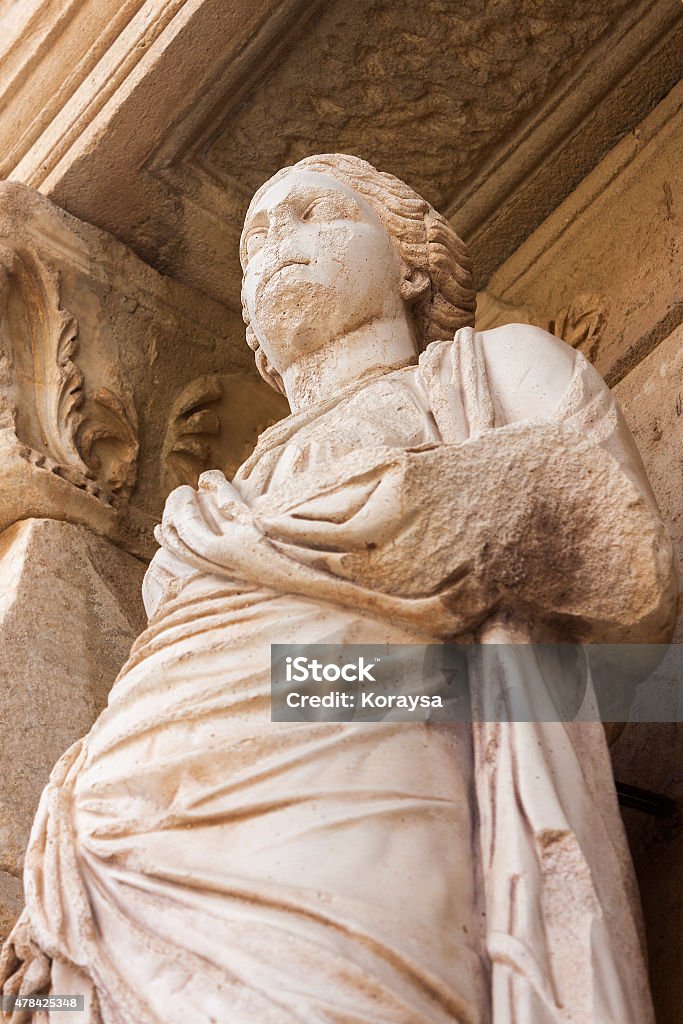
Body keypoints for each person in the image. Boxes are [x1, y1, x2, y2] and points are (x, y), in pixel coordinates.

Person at [1, 154, 677, 1024]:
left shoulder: (496, 372)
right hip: (124, 830)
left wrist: (363, 681)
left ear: (410, 261)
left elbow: (632, 592)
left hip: (360, 790)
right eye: (254, 243)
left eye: (315, 213)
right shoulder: (210, 503)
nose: (279, 246)